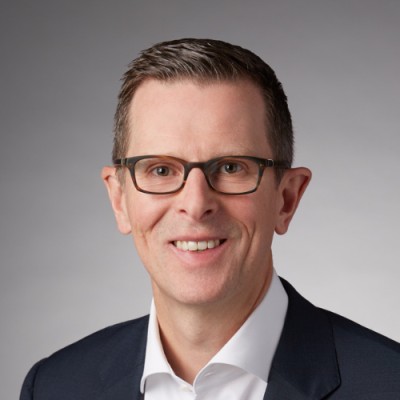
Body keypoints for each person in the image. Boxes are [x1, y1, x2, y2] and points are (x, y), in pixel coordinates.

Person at [20, 38, 400, 400]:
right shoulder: (54, 386)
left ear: (286, 199)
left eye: (231, 167)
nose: (196, 203)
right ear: (120, 200)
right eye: (160, 170)